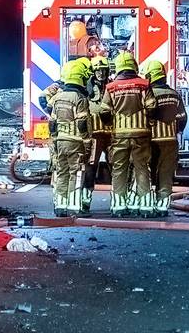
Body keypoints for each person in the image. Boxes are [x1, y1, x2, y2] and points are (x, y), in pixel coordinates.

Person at [102, 52, 154, 217]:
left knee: (119, 169)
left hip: (120, 135)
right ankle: (145, 206)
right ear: (134, 66)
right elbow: (152, 106)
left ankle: (119, 206)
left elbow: (104, 111)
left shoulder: (110, 87)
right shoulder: (144, 84)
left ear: (118, 68)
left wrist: (112, 123)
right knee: (141, 168)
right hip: (141, 134)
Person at [142, 60, 186, 217]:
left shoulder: (148, 95)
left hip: (151, 141)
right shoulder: (174, 95)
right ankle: (162, 207)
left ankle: (148, 204)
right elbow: (182, 118)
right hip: (170, 141)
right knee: (166, 174)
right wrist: (176, 131)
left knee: (148, 173)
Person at [49, 58, 92, 216]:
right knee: (76, 173)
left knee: (62, 172)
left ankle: (60, 207)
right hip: (75, 142)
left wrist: (55, 140)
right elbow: (82, 123)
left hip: (60, 141)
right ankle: (74, 207)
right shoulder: (79, 99)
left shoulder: (58, 98)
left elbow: (52, 122)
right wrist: (87, 143)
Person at [81, 51, 113, 215]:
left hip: (111, 134)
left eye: (104, 70)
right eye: (98, 70)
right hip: (93, 136)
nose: (101, 73)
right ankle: (85, 201)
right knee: (90, 168)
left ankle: (118, 202)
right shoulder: (86, 90)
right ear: (93, 72)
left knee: (117, 167)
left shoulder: (112, 87)